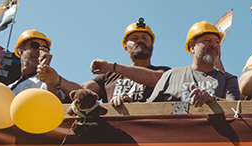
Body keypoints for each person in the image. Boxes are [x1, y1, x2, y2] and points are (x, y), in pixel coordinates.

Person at [37, 18, 169, 105]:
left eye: (145, 38)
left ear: (152, 45)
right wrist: (57, 80)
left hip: (149, 138)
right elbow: (82, 90)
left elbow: (156, 79)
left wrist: (113, 67)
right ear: (125, 47)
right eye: (134, 38)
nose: (140, 40)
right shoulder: (109, 77)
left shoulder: (164, 72)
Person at [148, 21, 241, 105]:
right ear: (192, 47)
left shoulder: (228, 79)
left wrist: (213, 99)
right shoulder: (170, 76)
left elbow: (235, 107)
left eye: (217, 42)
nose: (213, 44)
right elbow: (147, 109)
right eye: (207, 40)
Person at [7, 29, 63, 98]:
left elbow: (56, 102)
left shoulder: (51, 81)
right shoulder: (9, 89)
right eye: (34, 45)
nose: (39, 51)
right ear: (20, 50)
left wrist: (46, 71)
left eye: (44, 48)